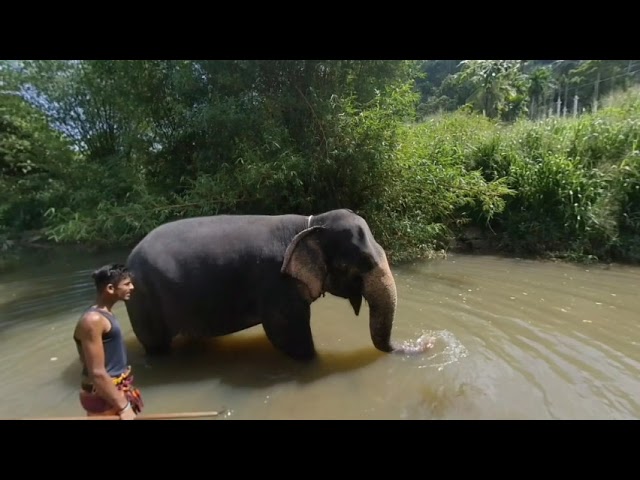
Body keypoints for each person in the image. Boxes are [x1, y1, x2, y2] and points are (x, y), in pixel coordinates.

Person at [73, 263, 144, 420]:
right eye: (126, 284)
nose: (132, 287)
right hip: (104, 395)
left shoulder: (106, 314)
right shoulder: (93, 320)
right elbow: (97, 373)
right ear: (110, 288)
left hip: (114, 391)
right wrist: (124, 406)